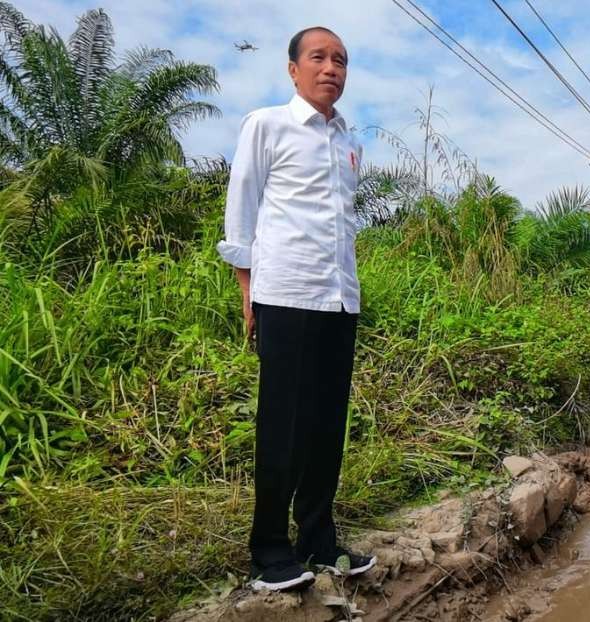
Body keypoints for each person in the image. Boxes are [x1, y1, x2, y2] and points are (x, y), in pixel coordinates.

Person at [217, 26, 375, 591]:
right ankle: (269, 551)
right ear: (293, 69)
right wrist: (247, 288)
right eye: (318, 57)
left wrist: (349, 291)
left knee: (327, 423)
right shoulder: (267, 125)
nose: (331, 67)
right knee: (281, 422)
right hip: (285, 292)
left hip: (339, 297)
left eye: (341, 59)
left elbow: (343, 223)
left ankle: (318, 540)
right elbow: (243, 210)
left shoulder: (349, 142)